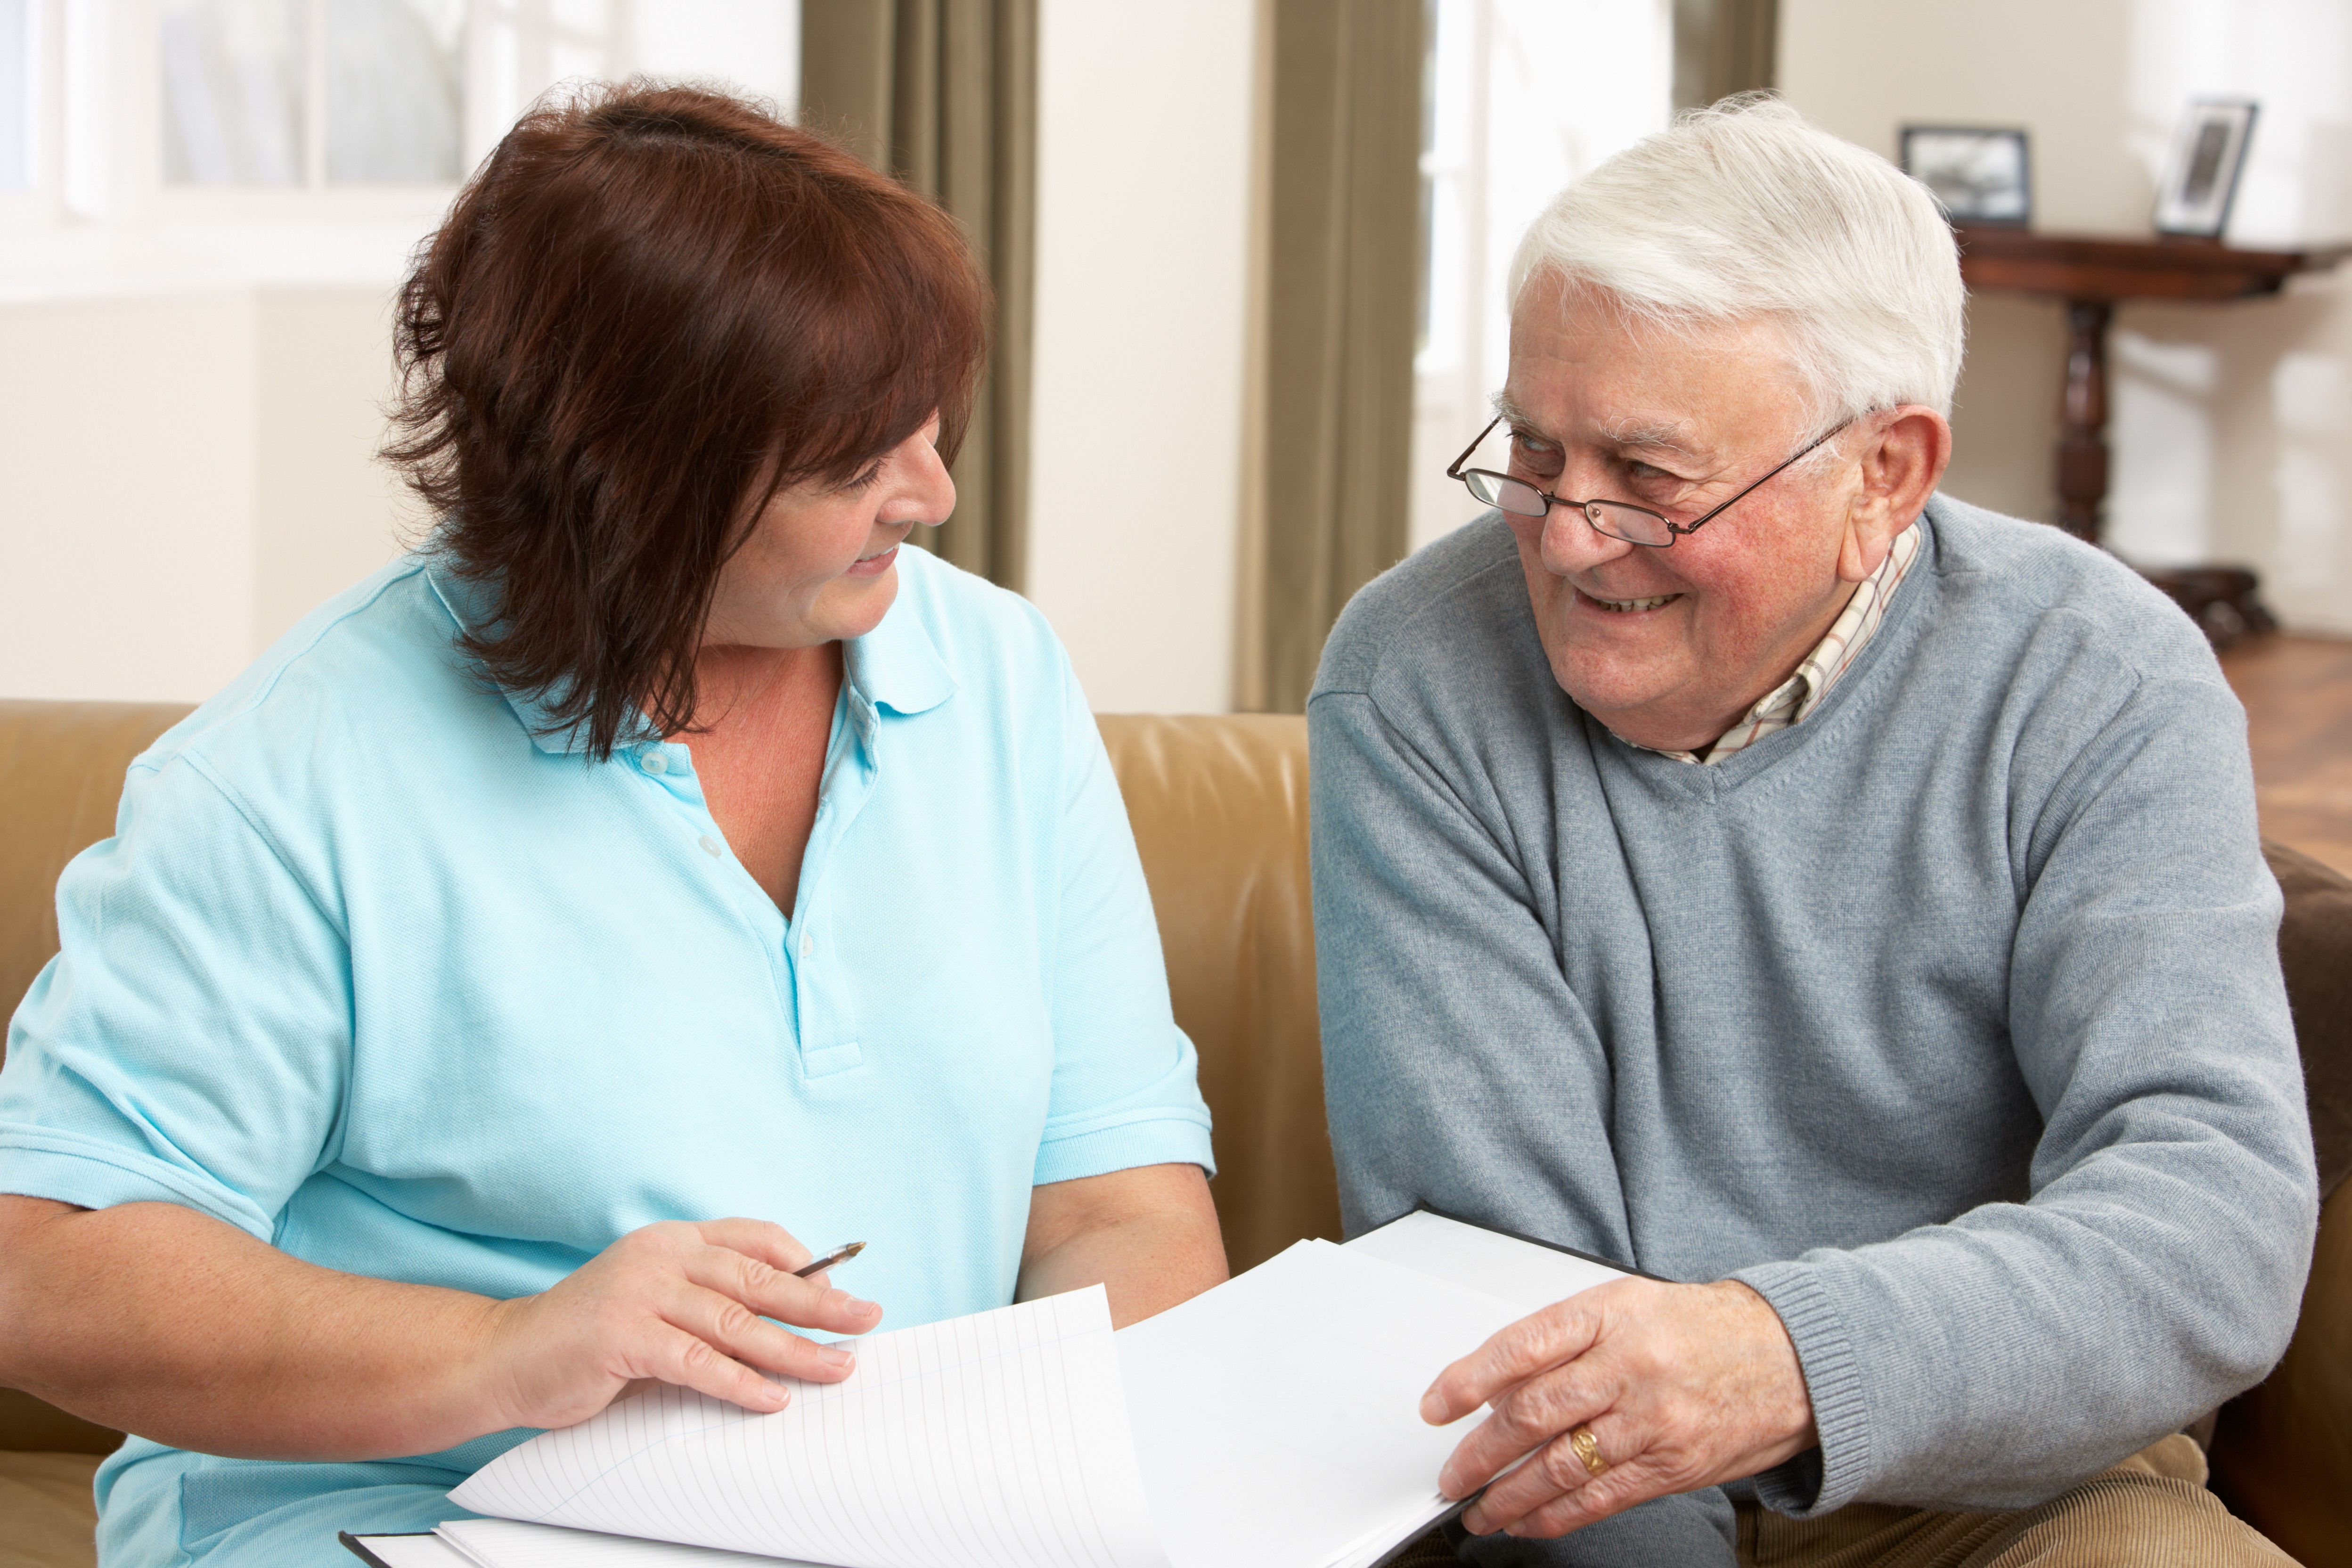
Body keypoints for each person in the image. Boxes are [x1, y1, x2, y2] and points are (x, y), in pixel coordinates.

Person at [0, 85, 1225, 1566]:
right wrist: (506, 1348)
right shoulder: (290, 777)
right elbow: (44, 1267)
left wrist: (1040, 1508)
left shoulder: (999, 681)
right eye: (857, 459)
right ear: (643, 475)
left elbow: (1119, 1216)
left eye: (928, 424)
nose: (935, 493)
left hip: (875, 1528)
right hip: (401, 1523)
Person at [1312, 98, 2314, 1566]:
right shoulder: (1414, 677)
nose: (1569, 533)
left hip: (2006, 1485)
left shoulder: (2103, 675)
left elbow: (2209, 1221)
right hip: (1571, 1502)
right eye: (1535, 448)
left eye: (1649, 477)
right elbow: (1505, 1306)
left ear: (1885, 474)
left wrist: (1785, 1359)